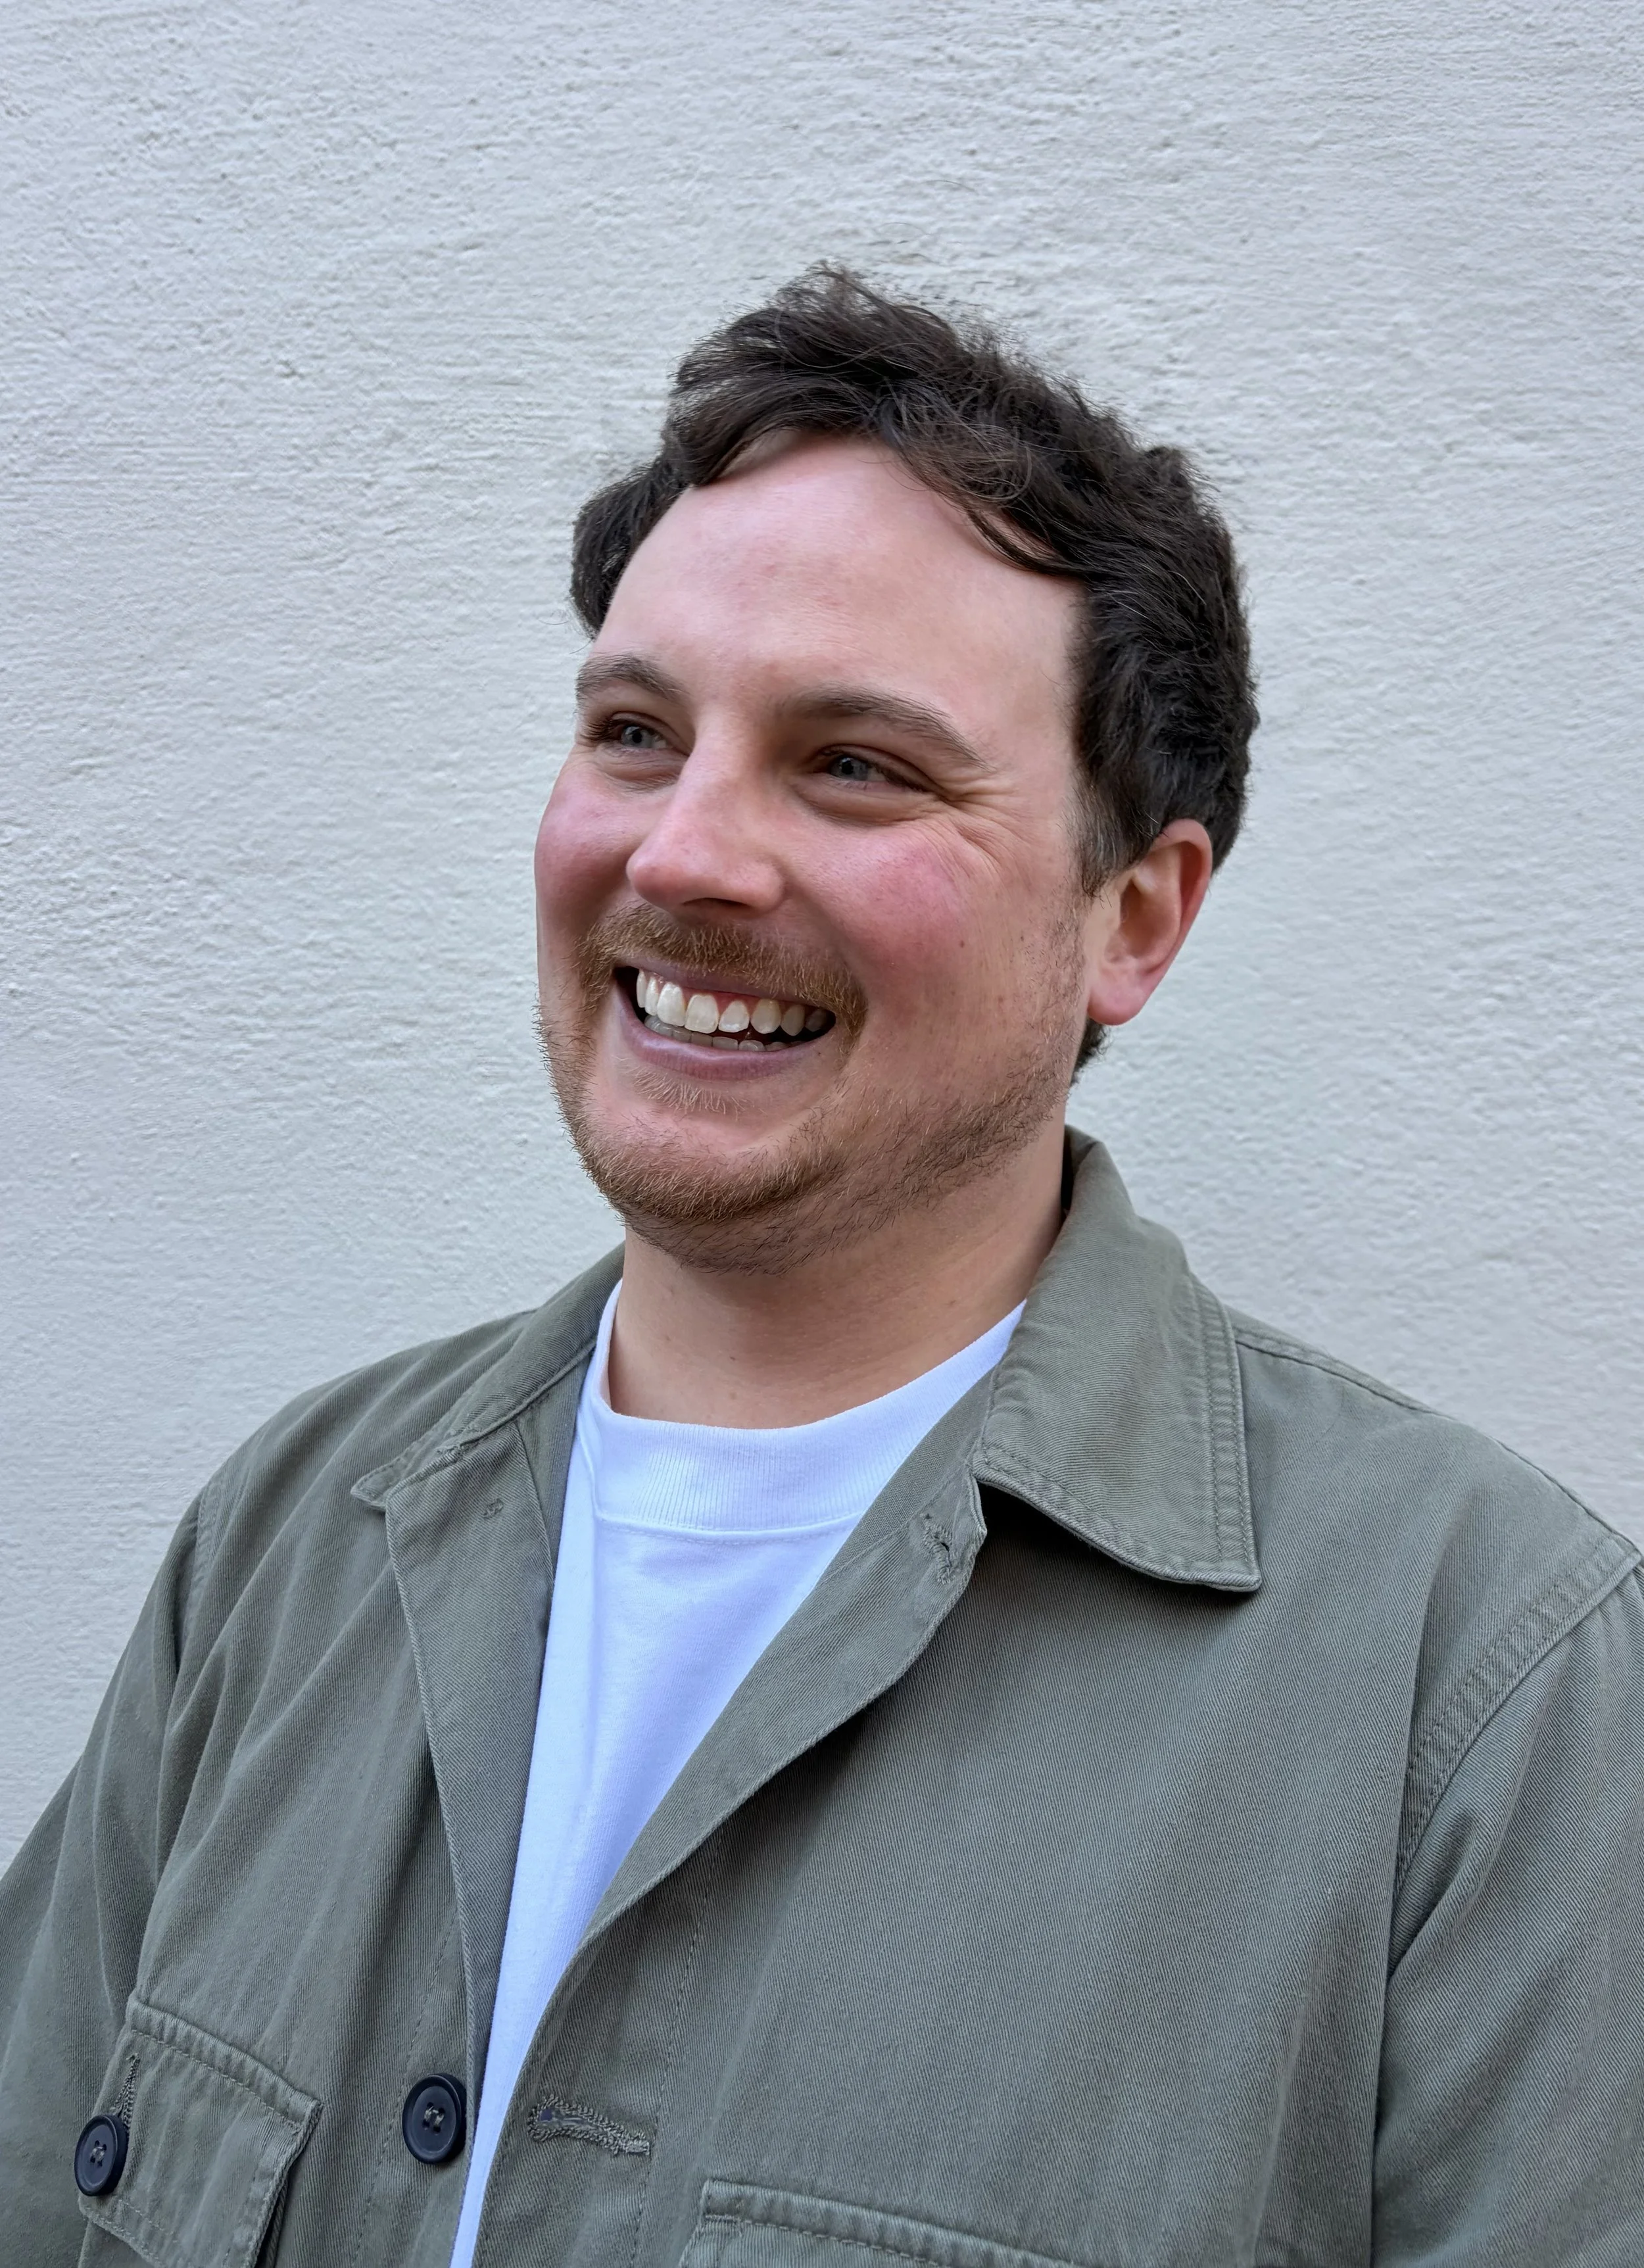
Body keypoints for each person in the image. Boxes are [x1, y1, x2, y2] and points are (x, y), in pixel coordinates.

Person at [2, 268, 1639, 2268]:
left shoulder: (1475, 1685)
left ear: (1134, 917)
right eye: (632, 731)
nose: (683, 857)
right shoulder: (292, 1540)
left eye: (854, 765)